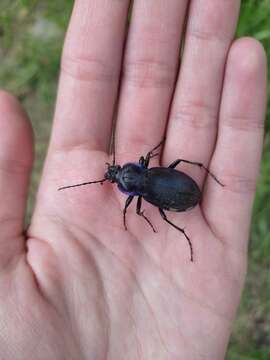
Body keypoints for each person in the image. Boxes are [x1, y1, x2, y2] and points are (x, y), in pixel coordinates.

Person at [0, 1, 267, 359]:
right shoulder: (146, 170)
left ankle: (189, 224)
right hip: (175, 187)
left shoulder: (139, 191)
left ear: (131, 179)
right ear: (132, 176)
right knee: (173, 192)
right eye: (115, 177)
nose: (115, 175)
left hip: (175, 191)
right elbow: (143, 193)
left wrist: (134, 215)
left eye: (115, 176)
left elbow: (140, 210)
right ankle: (192, 218)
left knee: (165, 211)